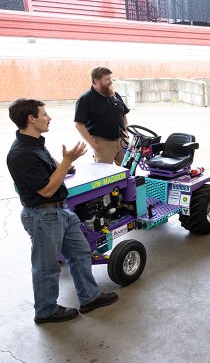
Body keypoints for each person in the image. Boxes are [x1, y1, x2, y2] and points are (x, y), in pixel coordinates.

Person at [7, 99, 118, 324]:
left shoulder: (35, 143)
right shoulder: (21, 154)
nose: (49, 118)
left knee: (80, 253)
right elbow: (47, 189)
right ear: (31, 118)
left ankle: (90, 297)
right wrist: (67, 162)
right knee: (47, 267)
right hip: (42, 215)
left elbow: (51, 173)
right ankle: (46, 311)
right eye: (44, 114)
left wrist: (66, 164)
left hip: (61, 212)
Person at [74, 66, 129, 164]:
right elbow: (79, 125)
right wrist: (94, 145)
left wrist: (126, 135)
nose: (110, 81)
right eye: (107, 79)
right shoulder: (85, 99)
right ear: (96, 81)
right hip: (103, 144)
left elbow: (123, 115)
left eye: (110, 78)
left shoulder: (114, 95)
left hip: (121, 142)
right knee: (105, 176)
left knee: (126, 171)